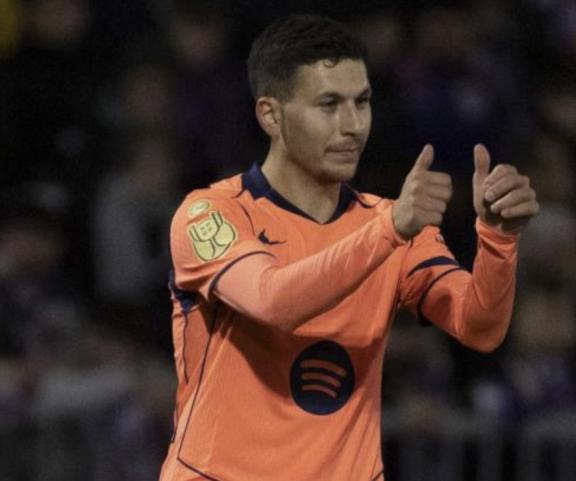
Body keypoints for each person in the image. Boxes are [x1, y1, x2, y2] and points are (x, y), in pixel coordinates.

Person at [159, 14, 539, 481]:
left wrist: (498, 239)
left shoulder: (395, 225)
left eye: (362, 102)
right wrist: (389, 230)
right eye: (329, 105)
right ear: (271, 115)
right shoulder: (210, 214)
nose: (353, 125)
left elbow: (479, 327)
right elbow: (271, 301)